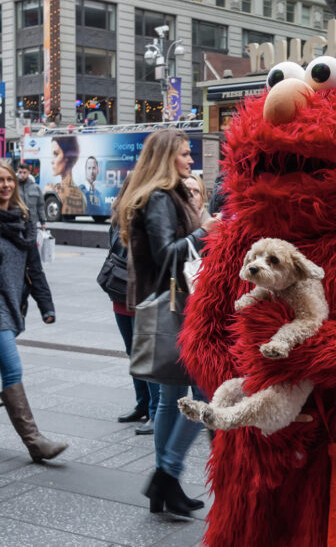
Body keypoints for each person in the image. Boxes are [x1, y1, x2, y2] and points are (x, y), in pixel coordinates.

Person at [117, 128, 220, 516]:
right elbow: (166, 254)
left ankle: (165, 486)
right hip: (177, 308)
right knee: (208, 393)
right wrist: (204, 232)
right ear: (165, 159)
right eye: (183, 155)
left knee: (170, 399)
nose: (191, 160)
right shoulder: (160, 197)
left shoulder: (160, 194)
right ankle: (167, 475)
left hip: (173, 305)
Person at [0, 161, 68, 462]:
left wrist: (46, 306)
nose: (4, 185)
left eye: (8, 180)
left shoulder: (23, 219)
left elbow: (34, 269)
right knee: (12, 368)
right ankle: (35, 441)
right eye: (0, 181)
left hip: (14, 304)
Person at [102, 175, 160, 434]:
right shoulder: (117, 217)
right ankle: (143, 405)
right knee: (132, 353)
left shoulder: (150, 216)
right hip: (120, 292)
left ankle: (157, 411)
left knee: (146, 355)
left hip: (141, 294)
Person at [43, 136, 86, 216]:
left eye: (56, 154)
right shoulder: (80, 194)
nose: (52, 161)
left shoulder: (52, 189)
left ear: (67, 157)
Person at [16, 163, 46, 229]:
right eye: (20, 172)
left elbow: (40, 205)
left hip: (32, 223)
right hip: (17, 222)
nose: (22, 175)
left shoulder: (35, 187)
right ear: (17, 172)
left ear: (29, 173)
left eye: (24, 172)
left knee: (32, 239)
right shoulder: (13, 187)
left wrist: (43, 222)